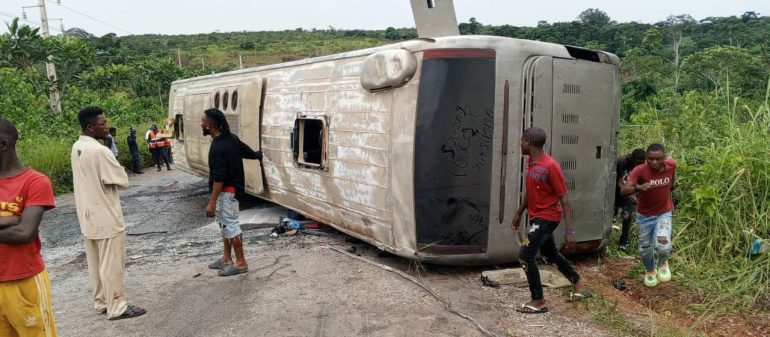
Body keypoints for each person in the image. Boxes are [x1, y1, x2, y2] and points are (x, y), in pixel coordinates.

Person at [71, 107, 146, 320]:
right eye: (102, 124)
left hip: (87, 216)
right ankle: (117, 306)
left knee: (95, 264)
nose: (106, 127)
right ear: (90, 127)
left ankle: (102, 302)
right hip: (105, 216)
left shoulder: (77, 146)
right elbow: (121, 179)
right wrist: (110, 151)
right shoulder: (100, 151)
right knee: (111, 263)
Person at [512, 127, 586, 314]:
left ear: (528, 142)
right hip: (537, 216)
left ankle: (538, 300)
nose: (520, 144)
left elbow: (564, 198)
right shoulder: (531, 161)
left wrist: (569, 231)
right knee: (550, 253)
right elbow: (531, 190)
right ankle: (577, 280)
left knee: (525, 255)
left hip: (548, 218)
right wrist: (519, 212)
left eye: (521, 140)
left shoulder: (551, 166)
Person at [0, 117, 58, 336]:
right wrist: (13, 219)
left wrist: (19, 223)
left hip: (25, 282)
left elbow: (25, 232)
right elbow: (18, 225)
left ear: (3, 144)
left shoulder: (35, 181)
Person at [201, 108, 262, 277]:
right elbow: (246, 151)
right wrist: (258, 155)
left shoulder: (218, 147)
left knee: (231, 226)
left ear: (210, 125)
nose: (201, 124)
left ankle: (241, 263)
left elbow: (219, 178)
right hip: (230, 192)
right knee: (224, 224)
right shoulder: (231, 139)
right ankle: (226, 258)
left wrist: (212, 202)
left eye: (203, 121)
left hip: (227, 193)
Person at [621, 143, 676, 287]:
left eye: (658, 159)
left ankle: (662, 263)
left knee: (663, 246)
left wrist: (671, 186)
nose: (654, 162)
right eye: (650, 159)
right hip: (645, 216)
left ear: (664, 157)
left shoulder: (671, 165)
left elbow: (672, 181)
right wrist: (639, 187)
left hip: (664, 213)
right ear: (646, 157)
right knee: (645, 249)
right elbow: (624, 190)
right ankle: (650, 270)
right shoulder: (640, 170)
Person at [615, 149, 645, 251]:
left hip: (630, 191)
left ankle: (623, 242)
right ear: (631, 158)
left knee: (627, 216)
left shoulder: (643, 164)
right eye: (636, 163)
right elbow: (619, 181)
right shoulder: (621, 162)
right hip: (617, 191)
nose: (638, 165)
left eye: (640, 163)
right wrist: (628, 194)